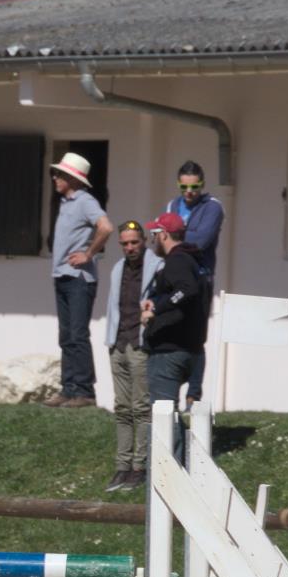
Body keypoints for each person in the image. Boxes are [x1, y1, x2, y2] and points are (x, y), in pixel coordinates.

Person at [42, 151, 113, 409]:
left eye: (60, 174)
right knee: (66, 335)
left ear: (72, 178)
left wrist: (89, 254)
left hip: (79, 279)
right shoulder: (67, 202)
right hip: (62, 275)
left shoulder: (84, 200)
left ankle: (84, 391)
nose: (55, 178)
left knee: (77, 334)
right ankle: (69, 388)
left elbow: (106, 227)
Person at [138, 213, 207, 462]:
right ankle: (183, 467)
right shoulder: (191, 260)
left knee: (163, 416)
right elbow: (182, 293)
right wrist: (156, 301)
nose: (152, 240)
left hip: (169, 350)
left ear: (164, 234)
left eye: (154, 235)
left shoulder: (177, 261)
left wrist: (156, 309)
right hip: (190, 348)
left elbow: (186, 290)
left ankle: (171, 475)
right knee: (172, 415)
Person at [164, 161, 225, 403]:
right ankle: (174, 388)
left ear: (203, 185)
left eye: (195, 187)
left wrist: (176, 235)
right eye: (184, 187)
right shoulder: (172, 204)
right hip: (175, 274)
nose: (189, 193)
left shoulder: (212, 207)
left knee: (197, 333)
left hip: (200, 276)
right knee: (174, 327)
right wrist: (181, 235)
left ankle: (194, 391)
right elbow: (163, 236)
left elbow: (201, 241)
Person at [102, 220, 151, 491]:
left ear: (143, 241)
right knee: (122, 408)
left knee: (141, 408)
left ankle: (139, 466)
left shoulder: (154, 268)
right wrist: (112, 340)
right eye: (125, 243)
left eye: (134, 242)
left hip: (140, 344)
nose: (130, 247)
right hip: (119, 343)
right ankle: (121, 466)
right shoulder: (118, 268)